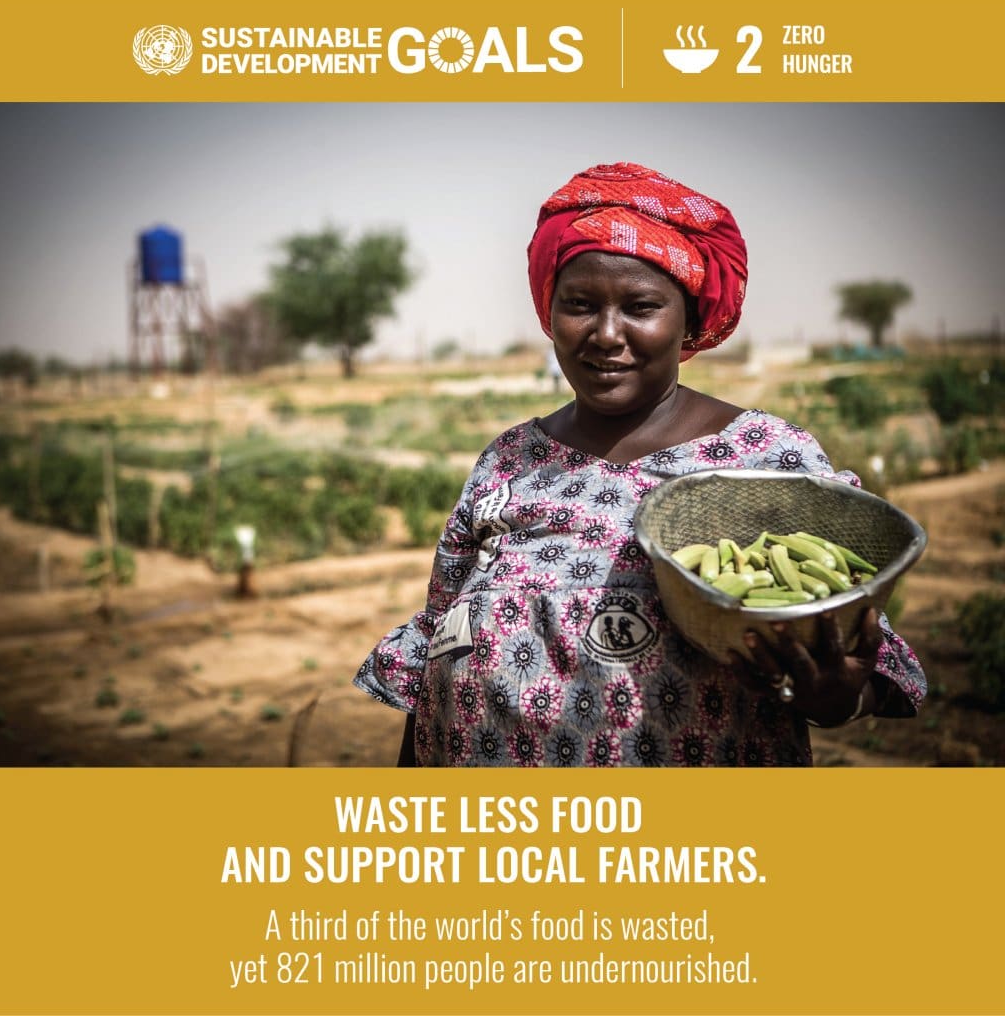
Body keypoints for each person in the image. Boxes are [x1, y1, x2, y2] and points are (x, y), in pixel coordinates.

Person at [353, 162, 926, 767]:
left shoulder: (764, 455)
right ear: (551, 313)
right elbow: (441, 637)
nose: (605, 334)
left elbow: (843, 647)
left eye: (640, 306)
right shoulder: (509, 460)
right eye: (579, 304)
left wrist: (837, 698)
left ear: (689, 322)